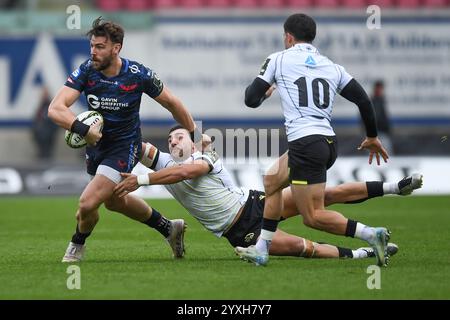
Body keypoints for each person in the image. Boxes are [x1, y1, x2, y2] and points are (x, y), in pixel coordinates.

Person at [113, 127, 422, 260]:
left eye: (179, 135)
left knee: (324, 197)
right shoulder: (165, 163)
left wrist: (140, 180)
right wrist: (103, 131)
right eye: (169, 139)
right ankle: (363, 253)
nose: (173, 141)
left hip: (253, 205)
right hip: (241, 230)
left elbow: (184, 173)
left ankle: (395, 187)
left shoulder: (204, 158)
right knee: (307, 248)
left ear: (193, 143)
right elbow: (135, 143)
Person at [240, 13, 392, 266]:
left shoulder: (278, 59)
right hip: (326, 143)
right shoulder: (332, 66)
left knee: (312, 216)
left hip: (305, 144)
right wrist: (373, 136)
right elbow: (364, 100)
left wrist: (265, 95)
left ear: (288, 37)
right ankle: (262, 248)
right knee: (271, 180)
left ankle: (371, 234)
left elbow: (250, 99)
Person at [48, 17, 202, 262]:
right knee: (112, 202)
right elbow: (55, 108)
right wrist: (82, 128)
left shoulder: (138, 74)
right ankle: (168, 228)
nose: (93, 52)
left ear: (116, 48)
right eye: (92, 46)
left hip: (125, 146)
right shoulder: (87, 70)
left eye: (100, 47)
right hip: (97, 147)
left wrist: (196, 135)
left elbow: (172, 103)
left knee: (87, 204)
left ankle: (76, 246)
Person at [32, 87, 58, 160]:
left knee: (47, 151)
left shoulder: (51, 106)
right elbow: (36, 119)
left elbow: (54, 119)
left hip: (49, 132)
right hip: (40, 133)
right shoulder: (41, 106)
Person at [370, 80, 394, 155]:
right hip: (377, 134)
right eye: (379, 88)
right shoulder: (373, 101)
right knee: (382, 155)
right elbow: (376, 118)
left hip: (382, 132)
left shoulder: (381, 100)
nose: (380, 90)